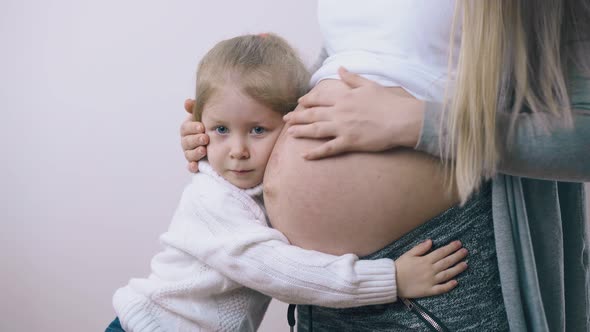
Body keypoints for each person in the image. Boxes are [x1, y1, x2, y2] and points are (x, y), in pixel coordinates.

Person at [181, 1, 590, 331]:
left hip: (437, 269)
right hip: (327, 291)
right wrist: (233, 130)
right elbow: (347, 65)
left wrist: (413, 123)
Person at [109, 33, 469, 332]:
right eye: (221, 129)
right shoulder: (212, 201)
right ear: (199, 122)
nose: (238, 151)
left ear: (292, 122)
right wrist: (390, 279)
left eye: (257, 130)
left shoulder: (249, 191)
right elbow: (283, 272)